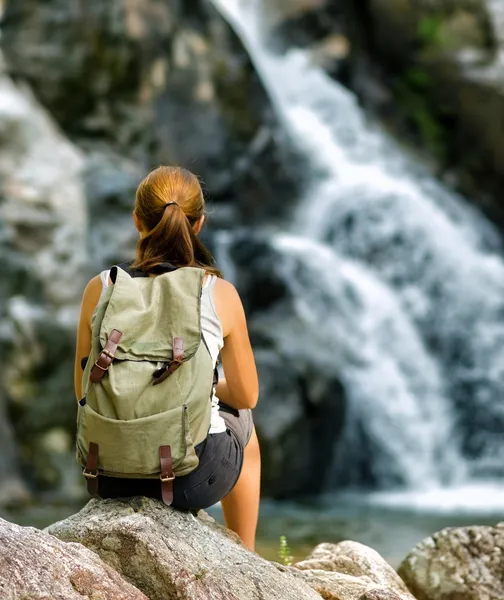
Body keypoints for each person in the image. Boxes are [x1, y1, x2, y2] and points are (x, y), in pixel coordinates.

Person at [74, 166, 260, 551]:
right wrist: (207, 381)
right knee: (244, 423)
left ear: (137, 221)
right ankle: (247, 556)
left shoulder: (102, 286)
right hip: (189, 478)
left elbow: (83, 387)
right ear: (199, 224)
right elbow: (245, 395)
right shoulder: (218, 292)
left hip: (107, 473)